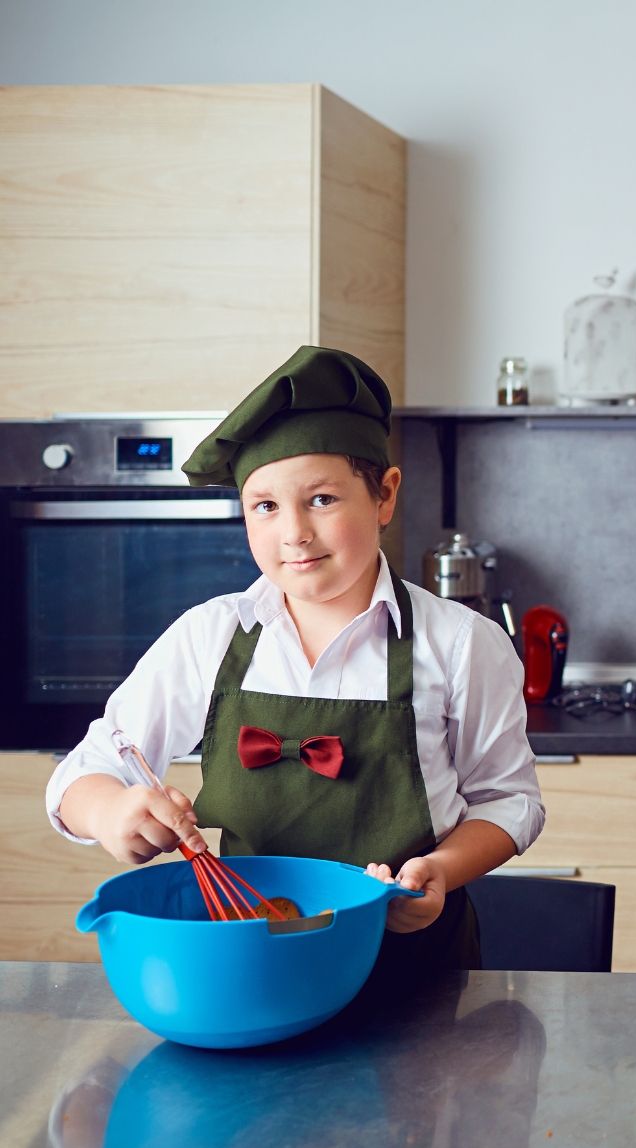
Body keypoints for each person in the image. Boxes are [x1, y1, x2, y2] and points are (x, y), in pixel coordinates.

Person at [47, 346, 541, 971]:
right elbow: (83, 770)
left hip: (412, 970)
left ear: (384, 496)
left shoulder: (462, 643)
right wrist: (112, 811)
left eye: (323, 500)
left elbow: (510, 801)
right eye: (266, 506)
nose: (294, 533)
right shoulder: (210, 637)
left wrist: (441, 871)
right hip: (251, 965)